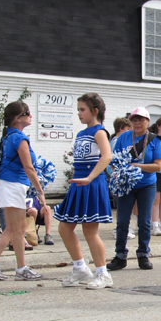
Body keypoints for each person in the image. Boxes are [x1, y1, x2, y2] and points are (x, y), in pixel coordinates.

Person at [0, 100, 46, 281]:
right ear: (17, 118)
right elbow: (29, 167)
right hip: (13, 184)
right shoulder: (19, 138)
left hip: (8, 184)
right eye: (27, 112)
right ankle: (14, 268)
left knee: (15, 229)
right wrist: (40, 190)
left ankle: (3, 266)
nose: (30, 115)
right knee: (16, 229)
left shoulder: (10, 136)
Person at [54, 93, 113, 289]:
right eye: (78, 109)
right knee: (64, 227)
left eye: (82, 110)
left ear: (94, 111)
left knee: (90, 231)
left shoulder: (100, 132)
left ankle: (103, 273)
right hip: (78, 184)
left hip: (92, 183)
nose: (79, 113)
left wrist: (90, 177)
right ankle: (80, 267)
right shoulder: (81, 133)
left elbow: (107, 157)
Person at [107, 107, 161, 271]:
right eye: (134, 119)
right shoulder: (124, 137)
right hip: (127, 184)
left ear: (148, 122)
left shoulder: (154, 140)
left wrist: (137, 166)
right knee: (123, 221)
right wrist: (118, 172)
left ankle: (143, 254)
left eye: (141, 119)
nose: (137, 122)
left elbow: (158, 166)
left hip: (146, 184)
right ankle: (120, 256)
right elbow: (114, 160)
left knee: (144, 221)